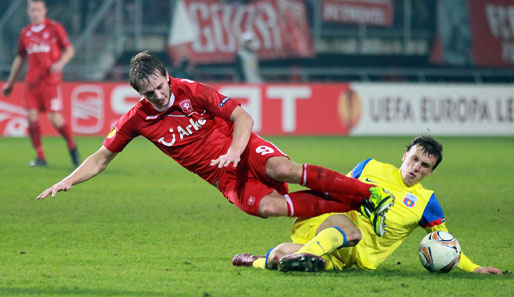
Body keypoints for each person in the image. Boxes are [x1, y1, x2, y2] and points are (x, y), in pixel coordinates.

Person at [37, 51, 394, 236]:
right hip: (222, 178)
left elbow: (243, 118)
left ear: (165, 75)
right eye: (151, 92)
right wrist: (68, 179)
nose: (161, 96)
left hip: (243, 148)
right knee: (269, 208)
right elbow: (100, 159)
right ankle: (349, 207)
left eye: (162, 85)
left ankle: (368, 194)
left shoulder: (190, 89)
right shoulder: (135, 120)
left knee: (281, 168)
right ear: (139, 93)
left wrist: (236, 149)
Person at [232, 136, 503, 275]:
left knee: (279, 256)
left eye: (425, 166)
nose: (416, 168)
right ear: (405, 155)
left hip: (352, 260)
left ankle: (256, 261)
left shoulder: (427, 203)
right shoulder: (370, 167)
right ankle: (310, 253)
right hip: (330, 225)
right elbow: (337, 188)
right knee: (349, 227)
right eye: (415, 159)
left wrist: (473, 267)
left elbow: (445, 242)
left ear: (430, 172)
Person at [2, 0, 79, 167]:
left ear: (44, 10)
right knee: (31, 118)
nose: (35, 13)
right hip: (31, 84)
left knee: (55, 119)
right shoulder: (25, 33)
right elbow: (20, 57)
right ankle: (40, 157)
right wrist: (10, 82)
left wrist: (60, 63)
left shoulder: (54, 28)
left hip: (50, 83)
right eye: (32, 10)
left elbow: (69, 49)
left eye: (38, 9)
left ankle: (72, 146)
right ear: (28, 12)